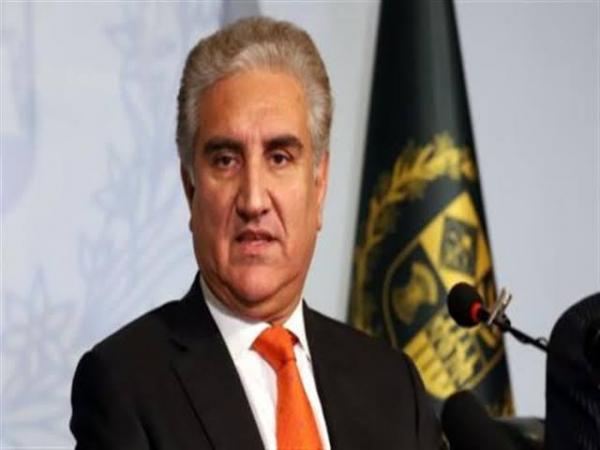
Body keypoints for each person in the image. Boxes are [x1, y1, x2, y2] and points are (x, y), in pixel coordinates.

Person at [70, 16, 443, 450]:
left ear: (319, 184)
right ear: (191, 188)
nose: (253, 200)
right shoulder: (125, 383)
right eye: (225, 160)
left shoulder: (392, 387)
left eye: (279, 158)